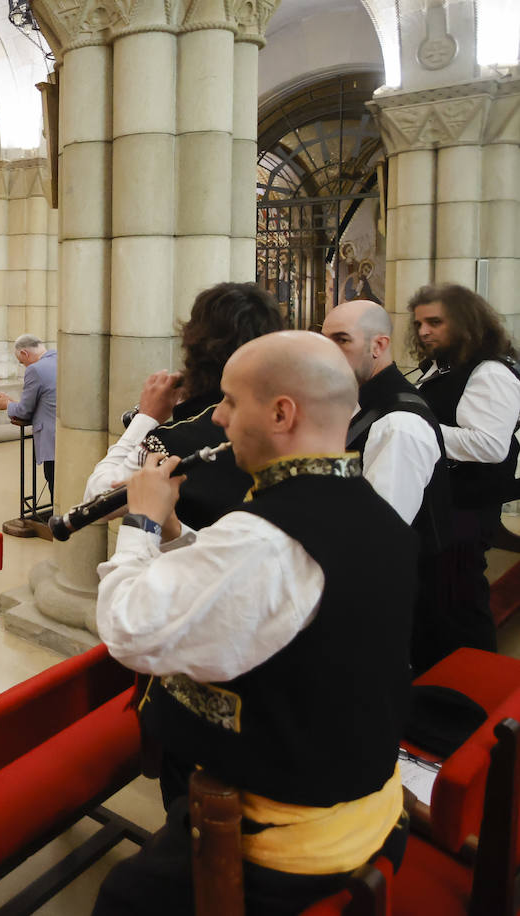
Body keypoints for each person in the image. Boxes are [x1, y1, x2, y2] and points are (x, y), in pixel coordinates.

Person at [91, 331, 415, 916]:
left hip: (284, 846)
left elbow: (128, 630)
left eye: (231, 402)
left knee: (120, 898)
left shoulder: (266, 537)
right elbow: (252, 597)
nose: (217, 417)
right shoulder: (367, 506)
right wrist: (174, 534)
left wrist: (138, 524)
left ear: (281, 412)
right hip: (363, 800)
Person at [83, 282, 284, 531]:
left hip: (182, 564)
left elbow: (96, 501)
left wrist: (146, 417)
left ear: (194, 344)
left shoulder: (176, 440)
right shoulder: (282, 419)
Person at [322, 300, 452, 672]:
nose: (327, 351)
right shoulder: (359, 399)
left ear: (378, 346)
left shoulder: (399, 423)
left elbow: (380, 530)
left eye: (341, 340)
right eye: (324, 339)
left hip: (397, 594)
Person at [410, 283, 520, 659]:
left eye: (435, 322)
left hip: (468, 508)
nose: (423, 331)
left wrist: (411, 429)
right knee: (438, 600)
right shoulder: (446, 367)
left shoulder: (490, 371)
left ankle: (476, 690)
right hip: (447, 504)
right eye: (419, 323)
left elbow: (490, 445)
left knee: (460, 602)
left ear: (466, 322)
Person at [0, 334, 56, 494]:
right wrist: (15, 403)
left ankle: (60, 517)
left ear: (25, 354)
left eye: (22, 362)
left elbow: (24, 411)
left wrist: (6, 404)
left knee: (54, 482)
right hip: (66, 435)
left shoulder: (35, 369)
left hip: (51, 437)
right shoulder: (59, 358)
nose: (24, 366)